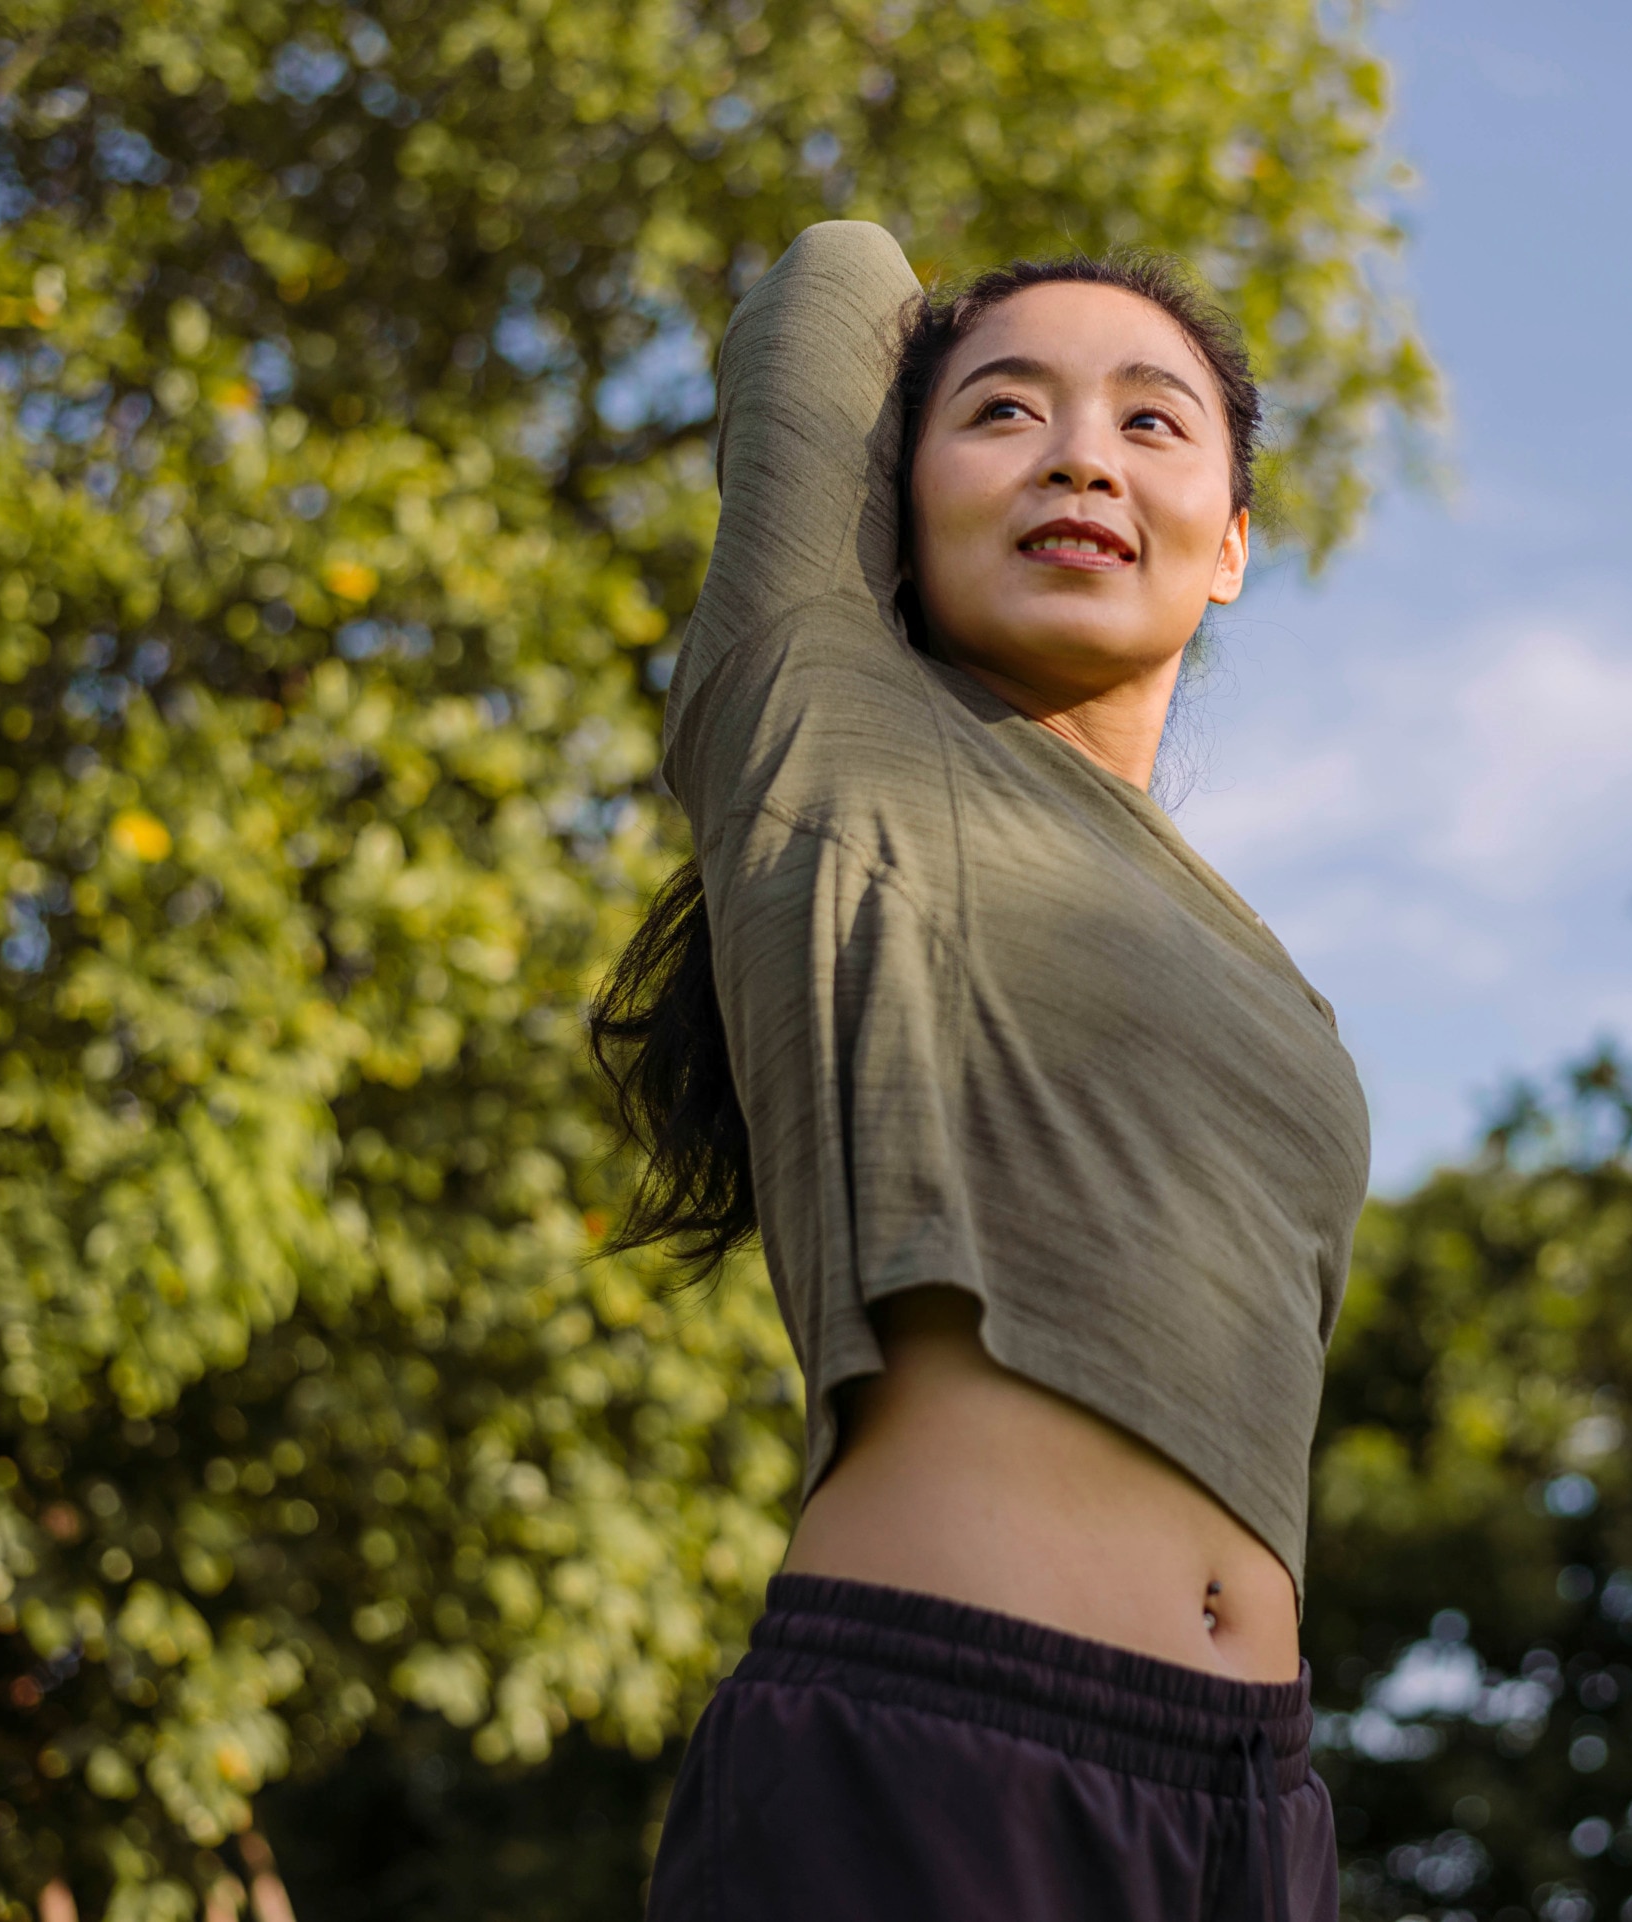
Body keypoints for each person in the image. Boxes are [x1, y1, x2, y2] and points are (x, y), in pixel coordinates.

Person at [598, 221, 1370, 1920]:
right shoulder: (818, 709)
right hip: (934, 1749)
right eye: (1006, 412)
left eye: (1154, 422)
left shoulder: (1280, 991)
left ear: (1230, 543)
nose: (1084, 452)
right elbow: (830, 279)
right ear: (898, 484)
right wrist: (966, 341)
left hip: (1256, 1812)